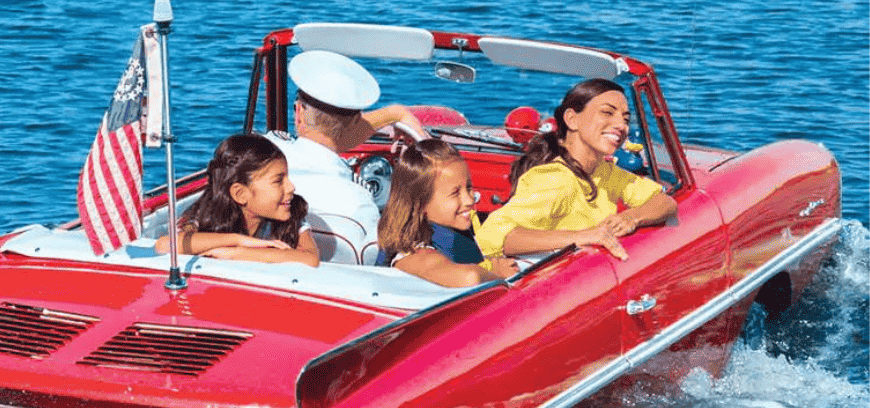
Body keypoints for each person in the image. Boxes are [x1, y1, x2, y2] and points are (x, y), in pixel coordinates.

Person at [477, 78, 678, 261]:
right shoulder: (555, 179)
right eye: (607, 112)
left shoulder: (604, 171)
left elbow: (664, 202)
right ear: (572, 119)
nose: (621, 125)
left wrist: (632, 217)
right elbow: (491, 236)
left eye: (625, 119)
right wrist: (586, 235)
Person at [265, 50, 428, 262]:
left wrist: (393, 114)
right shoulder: (360, 203)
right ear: (354, 124)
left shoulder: (265, 152)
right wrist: (397, 115)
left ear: (298, 114)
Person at [154, 134, 320, 267]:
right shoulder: (203, 215)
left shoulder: (291, 212)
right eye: (278, 181)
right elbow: (165, 245)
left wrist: (237, 253)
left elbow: (311, 259)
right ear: (240, 194)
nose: (291, 187)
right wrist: (237, 240)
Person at [377, 139, 518, 288]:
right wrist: (494, 272)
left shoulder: (449, 233)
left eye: (468, 188)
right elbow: (470, 277)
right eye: (455, 193)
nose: (469, 199)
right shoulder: (412, 255)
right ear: (421, 203)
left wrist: (489, 263)